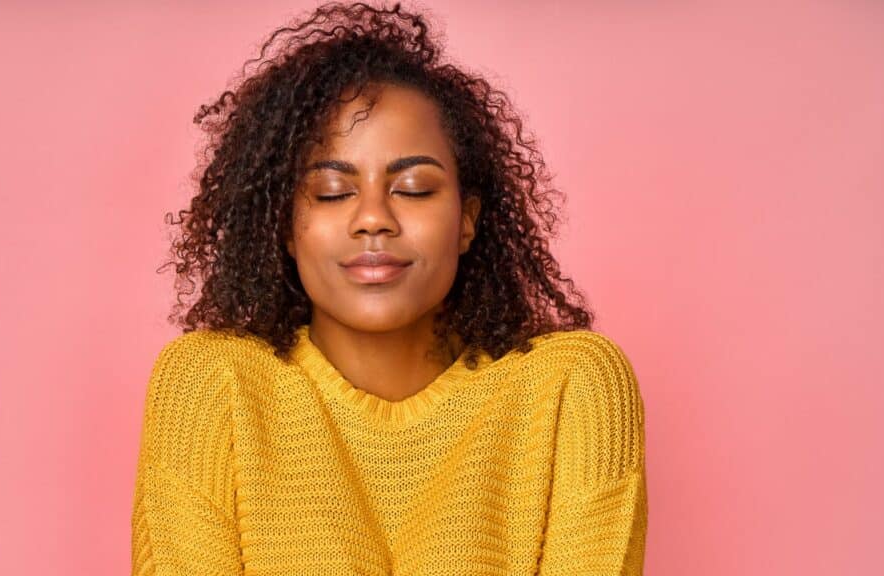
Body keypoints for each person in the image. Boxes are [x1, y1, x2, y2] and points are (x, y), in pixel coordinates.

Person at [131, 2, 647, 574]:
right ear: (283, 226)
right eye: (331, 192)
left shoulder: (570, 388)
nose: (373, 218)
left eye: (415, 188)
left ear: (468, 219)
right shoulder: (211, 387)